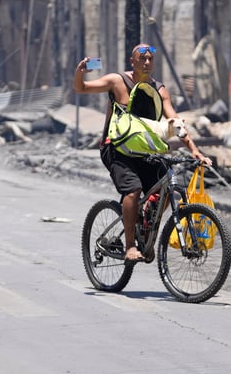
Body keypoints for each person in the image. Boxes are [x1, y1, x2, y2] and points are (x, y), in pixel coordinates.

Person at [73, 43, 212, 262]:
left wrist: (195, 150)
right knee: (133, 189)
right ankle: (130, 247)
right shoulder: (117, 81)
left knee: (167, 185)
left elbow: (175, 122)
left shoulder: (159, 89)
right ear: (133, 61)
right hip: (117, 149)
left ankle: (147, 233)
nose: (147, 63)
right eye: (142, 59)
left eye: (150, 59)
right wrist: (80, 73)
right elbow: (82, 88)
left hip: (144, 150)